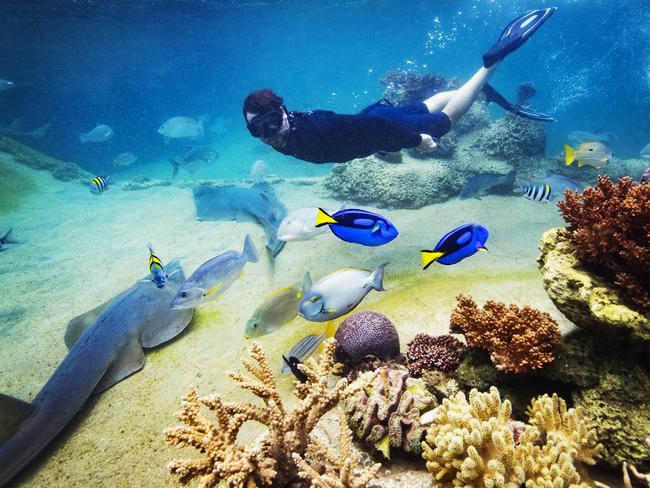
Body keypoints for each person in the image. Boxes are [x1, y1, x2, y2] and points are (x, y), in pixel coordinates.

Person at [243, 8, 557, 164]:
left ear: (283, 112)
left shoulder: (313, 132)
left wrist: (417, 140)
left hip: (385, 125)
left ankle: (490, 66)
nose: (269, 135)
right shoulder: (293, 126)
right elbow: (358, 126)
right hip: (378, 120)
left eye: (271, 123)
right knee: (425, 105)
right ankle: (474, 89)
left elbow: (372, 126)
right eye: (258, 130)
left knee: (444, 123)